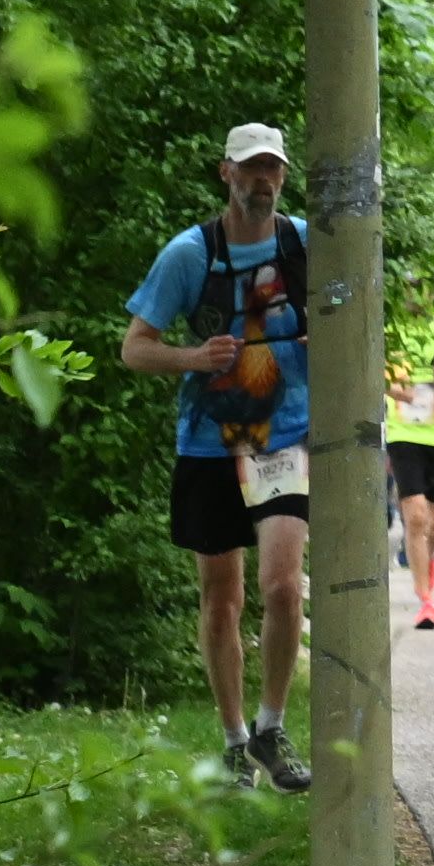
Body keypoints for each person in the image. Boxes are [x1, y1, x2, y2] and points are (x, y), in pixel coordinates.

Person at [119, 122, 317, 793]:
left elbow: (352, 318)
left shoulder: (304, 244)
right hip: (209, 439)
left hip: (283, 436)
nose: (263, 181)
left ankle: (271, 726)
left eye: (273, 169)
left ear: (283, 175)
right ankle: (234, 740)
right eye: (250, 169)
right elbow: (135, 347)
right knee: (222, 596)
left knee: (283, 586)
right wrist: (194, 357)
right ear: (225, 173)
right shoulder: (190, 253)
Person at [381, 333, 434, 634]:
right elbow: (376, 374)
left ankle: (428, 560)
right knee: (415, 517)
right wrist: (402, 394)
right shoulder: (392, 325)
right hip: (404, 435)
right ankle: (426, 600)